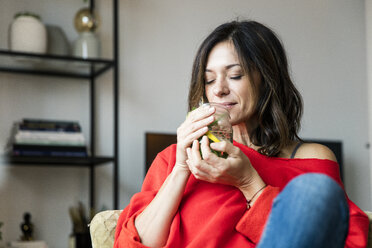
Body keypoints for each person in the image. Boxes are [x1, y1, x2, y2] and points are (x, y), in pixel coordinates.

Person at [114, 20, 369, 248]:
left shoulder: (311, 158)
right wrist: (181, 168)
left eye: (235, 75)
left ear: (267, 80)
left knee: (315, 191)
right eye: (209, 80)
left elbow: (344, 241)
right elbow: (132, 244)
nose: (219, 90)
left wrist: (249, 182)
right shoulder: (173, 159)